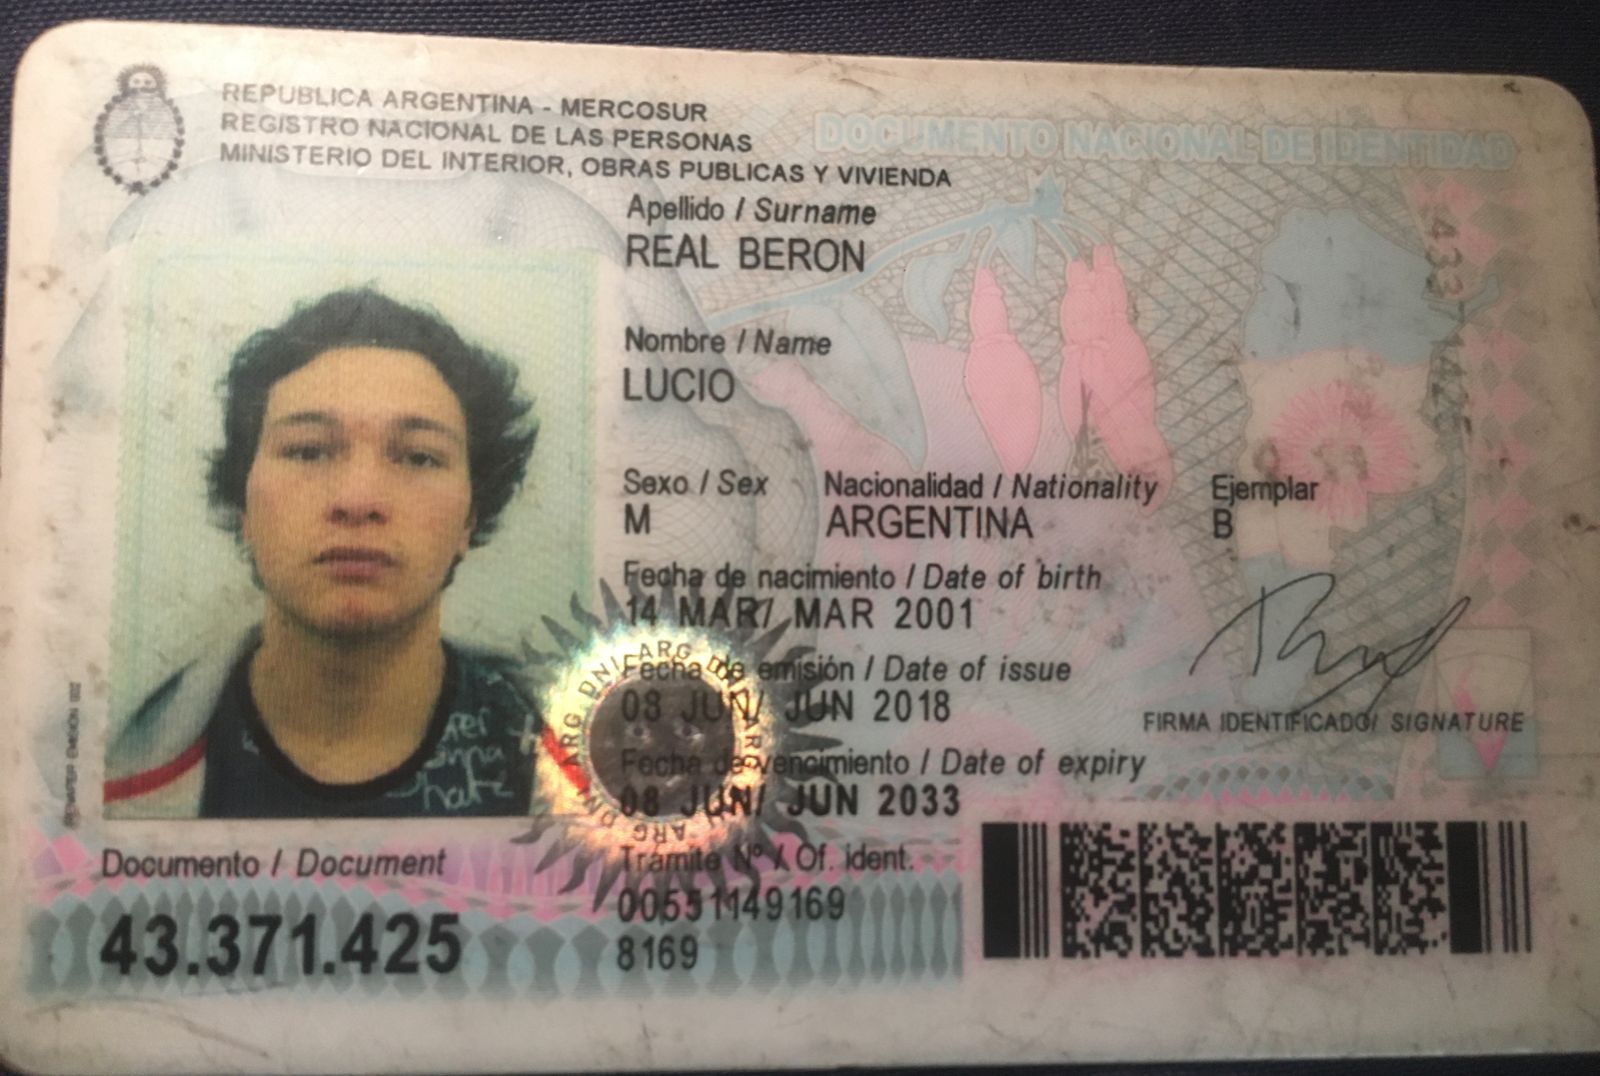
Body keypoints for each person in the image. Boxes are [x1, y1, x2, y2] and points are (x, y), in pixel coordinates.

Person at [105, 289, 541, 818]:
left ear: (470, 517)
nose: (357, 500)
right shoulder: (102, 783)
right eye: (308, 450)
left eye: (419, 457)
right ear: (243, 504)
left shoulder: (577, 777)